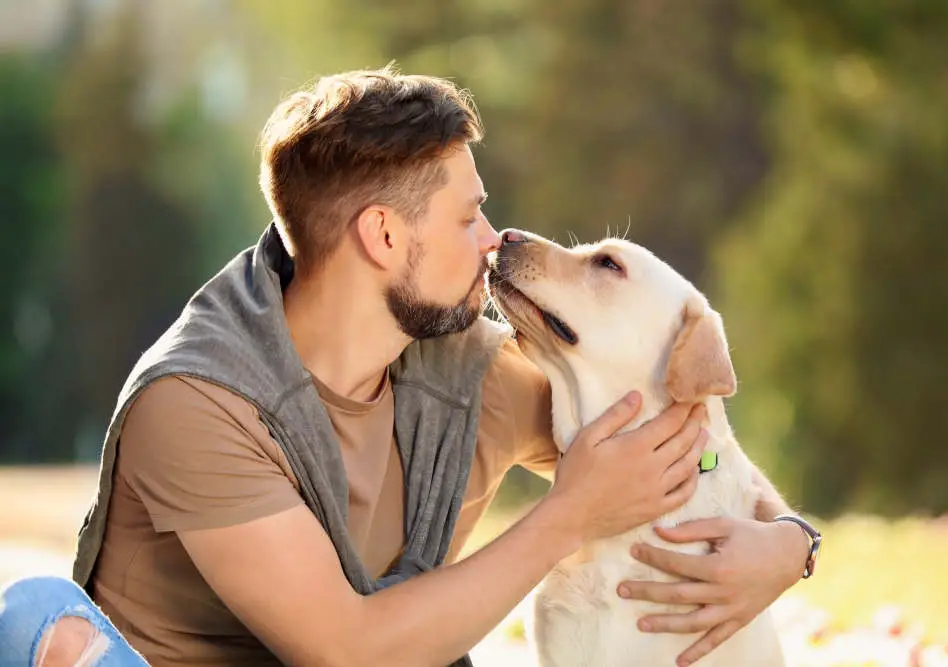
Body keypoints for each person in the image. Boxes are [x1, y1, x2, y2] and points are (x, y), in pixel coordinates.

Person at [0, 67, 817, 667]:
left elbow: (684, 447)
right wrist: (566, 518)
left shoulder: (474, 378)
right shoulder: (198, 403)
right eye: (468, 216)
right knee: (31, 615)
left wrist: (784, 541)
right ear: (385, 237)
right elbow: (345, 648)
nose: (495, 239)